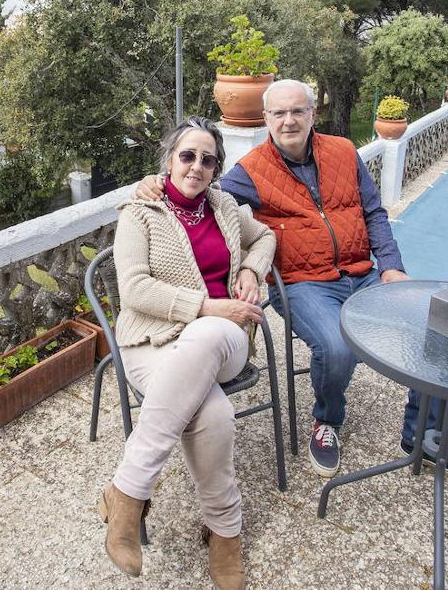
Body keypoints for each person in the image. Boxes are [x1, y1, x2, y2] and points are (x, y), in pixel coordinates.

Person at [136, 80, 448, 481]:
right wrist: (158, 181)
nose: (288, 121)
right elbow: (201, 190)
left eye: (297, 111)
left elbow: (373, 212)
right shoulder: (250, 171)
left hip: (363, 273)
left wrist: (390, 265)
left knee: (437, 324)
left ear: (312, 114)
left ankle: (425, 435)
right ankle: (327, 421)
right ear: (266, 119)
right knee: (337, 346)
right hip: (303, 285)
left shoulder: (344, 152)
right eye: (279, 113)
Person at [100, 116, 275, 590]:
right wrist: (205, 304)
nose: (196, 166)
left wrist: (252, 274)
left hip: (225, 339)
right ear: (169, 161)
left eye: (207, 159)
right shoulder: (138, 214)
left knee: (205, 335)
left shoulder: (223, 206)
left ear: (216, 168)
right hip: (151, 342)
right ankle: (226, 532)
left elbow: (265, 237)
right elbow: (134, 289)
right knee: (213, 413)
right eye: (187, 155)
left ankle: (127, 491)